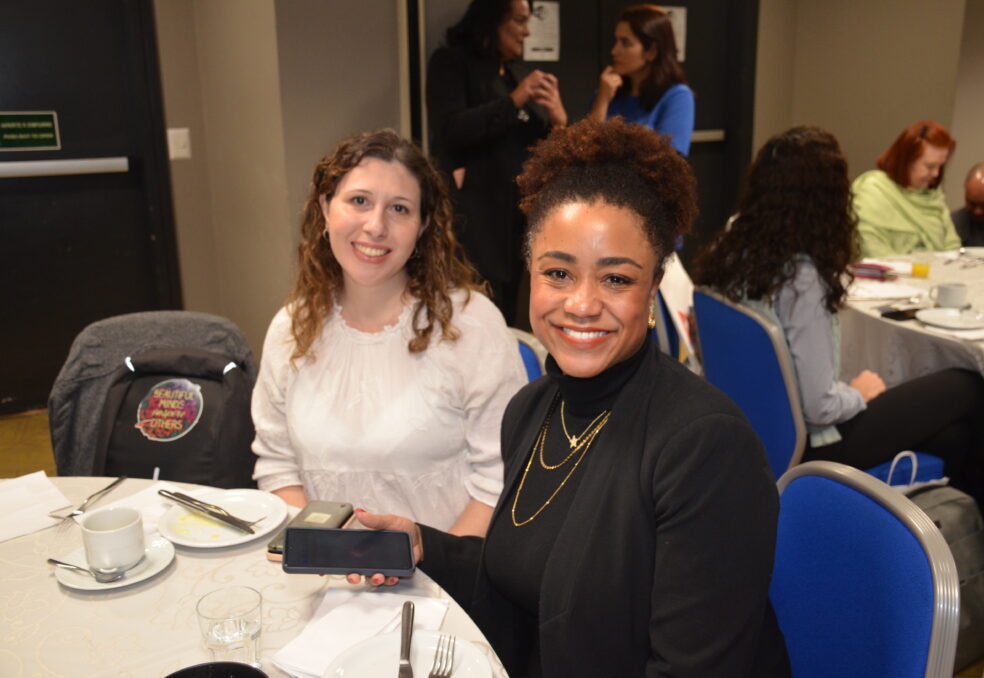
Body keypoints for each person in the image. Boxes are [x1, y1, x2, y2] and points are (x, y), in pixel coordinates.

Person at [353, 118, 791, 677]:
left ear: (652, 289)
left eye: (615, 280)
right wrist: (422, 545)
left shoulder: (706, 448)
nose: (582, 304)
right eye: (558, 273)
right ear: (530, 275)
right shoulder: (532, 409)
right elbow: (520, 580)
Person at [694, 126, 984, 510]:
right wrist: (859, 393)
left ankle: (958, 531)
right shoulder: (801, 277)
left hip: (752, 431)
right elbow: (821, 407)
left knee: (952, 435)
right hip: (816, 447)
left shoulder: (731, 246)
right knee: (967, 384)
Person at [250, 130, 526, 537]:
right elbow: (277, 466)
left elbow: (501, 478)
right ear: (326, 208)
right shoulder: (291, 329)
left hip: (443, 580)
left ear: (423, 226)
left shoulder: (471, 325)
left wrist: (430, 566)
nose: (376, 226)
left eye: (399, 208)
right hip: (325, 573)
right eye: (359, 201)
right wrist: (328, 554)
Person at [427, 0, 567, 325]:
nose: (527, 31)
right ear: (492, 21)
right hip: (474, 230)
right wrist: (515, 100)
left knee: (509, 323)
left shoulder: (506, 76)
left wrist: (558, 120)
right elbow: (450, 131)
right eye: (519, 21)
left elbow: (535, 152)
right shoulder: (450, 62)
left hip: (514, 229)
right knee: (473, 321)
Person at [588, 4, 695, 156]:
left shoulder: (677, 96)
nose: (614, 51)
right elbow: (585, 148)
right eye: (616, 41)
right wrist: (602, 100)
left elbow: (669, 162)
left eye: (625, 43)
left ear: (651, 51)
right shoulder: (607, 92)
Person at [852, 120, 961, 257]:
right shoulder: (873, 190)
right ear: (906, 161)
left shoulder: (933, 196)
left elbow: (952, 246)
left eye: (940, 166)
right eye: (929, 166)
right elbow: (870, 248)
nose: (936, 173)